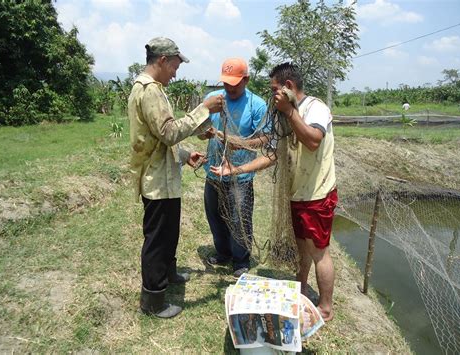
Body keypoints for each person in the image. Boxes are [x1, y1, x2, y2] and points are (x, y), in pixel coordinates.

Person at [211, 63, 338, 321]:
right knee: (302, 247)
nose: (272, 96)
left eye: (274, 90)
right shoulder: (285, 115)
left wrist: (289, 111)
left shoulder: (315, 108)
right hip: (297, 193)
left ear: (288, 87)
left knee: (318, 252)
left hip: (317, 194)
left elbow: (313, 141)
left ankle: (325, 307)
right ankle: (300, 289)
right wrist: (234, 169)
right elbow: (272, 155)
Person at [128, 37, 223, 318]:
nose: (176, 72)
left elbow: (159, 138)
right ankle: (153, 300)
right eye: (175, 66)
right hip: (156, 182)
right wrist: (204, 108)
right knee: (157, 239)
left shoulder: (152, 88)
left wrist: (183, 155)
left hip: (165, 177)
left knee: (169, 233)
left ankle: (168, 274)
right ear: (162, 60)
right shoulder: (149, 91)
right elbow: (168, 131)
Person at [201, 58, 267, 278]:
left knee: (240, 219)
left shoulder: (257, 104)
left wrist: (241, 143)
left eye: (235, 83)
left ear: (246, 80)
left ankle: (240, 259)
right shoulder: (213, 99)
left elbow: (265, 137)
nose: (230, 88)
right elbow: (200, 129)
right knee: (214, 215)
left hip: (240, 173)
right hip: (214, 169)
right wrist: (205, 133)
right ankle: (223, 253)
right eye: (226, 83)